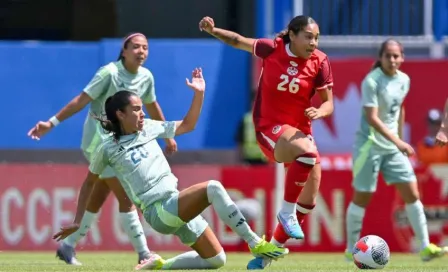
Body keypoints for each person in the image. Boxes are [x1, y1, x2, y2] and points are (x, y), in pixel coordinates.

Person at [52, 69, 289, 271]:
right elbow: (89, 182)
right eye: (135, 109)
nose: (142, 112)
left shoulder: (149, 128)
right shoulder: (107, 148)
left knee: (216, 260)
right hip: (159, 211)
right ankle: (256, 243)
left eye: (141, 107)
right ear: (120, 114)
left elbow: (188, 125)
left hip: (175, 202)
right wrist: (77, 221)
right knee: (213, 188)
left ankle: (160, 265)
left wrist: (199, 94)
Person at [27, 33, 177, 265]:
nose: (141, 52)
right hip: (99, 145)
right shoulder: (109, 73)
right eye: (135, 47)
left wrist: (168, 136)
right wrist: (51, 122)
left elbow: (151, 104)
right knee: (126, 197)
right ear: (124, 51)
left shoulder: (146, 77)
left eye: (145, 48)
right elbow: (81, 100)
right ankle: (144, 253)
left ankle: (67, 247)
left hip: (121, 145)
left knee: (98, 196)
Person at [199, 15, 334, 269]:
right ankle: (285, 212)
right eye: (308, 36)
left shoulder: (321, 62)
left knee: (308, 199)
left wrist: (320, 112)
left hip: (299, 133)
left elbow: (329, 102)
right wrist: (213, 29)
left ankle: (267, 255)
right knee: (307, 154)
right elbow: (238, 40)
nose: (313, 43)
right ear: (292, 36)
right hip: (268, 129)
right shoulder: (271, 49)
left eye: (316, 37)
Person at [344, 39, 448, 262]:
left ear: (402, 58)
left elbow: (400, 107)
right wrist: (399, 141)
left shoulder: (404, 79)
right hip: (369, 146)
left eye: (396, 56)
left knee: (412, 194)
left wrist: (399, 138)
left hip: (391, 147)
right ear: (380, 58)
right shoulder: (372, 81)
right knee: (362, 197)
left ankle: (424, 246)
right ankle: (350, 249)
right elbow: (372, 119)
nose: (392, 60)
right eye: (388, 55)